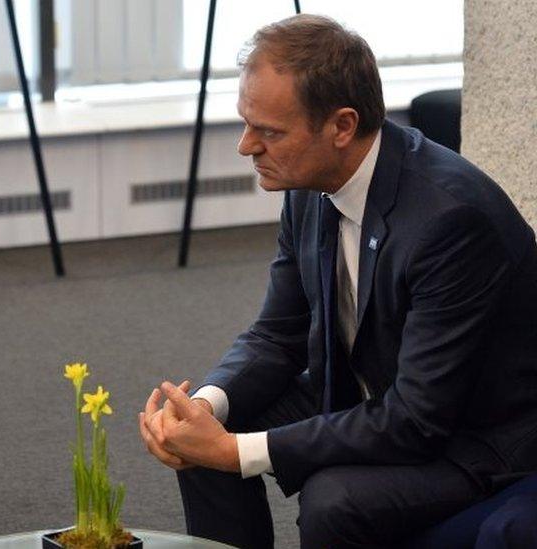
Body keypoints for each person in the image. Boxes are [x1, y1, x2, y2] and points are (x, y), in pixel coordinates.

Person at [138, 14, 537, 549]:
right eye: (246, 122)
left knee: (334, 499)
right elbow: (276, 335)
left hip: (474, 437)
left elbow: (417, 419)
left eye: (269, 131)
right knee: (199, 439)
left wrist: (237, 452)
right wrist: (207, 407)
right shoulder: (308, 183)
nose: (246, 146)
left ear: (342, 126)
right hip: (373, 390)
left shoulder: (449, 220)